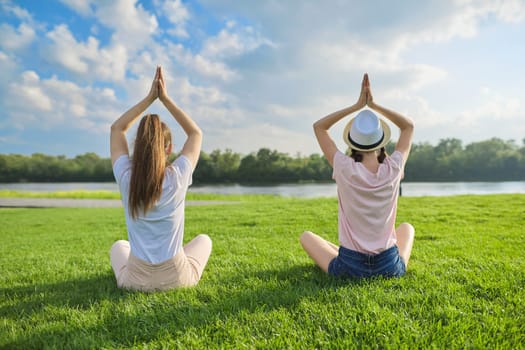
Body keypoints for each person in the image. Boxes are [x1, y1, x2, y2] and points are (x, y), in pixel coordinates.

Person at [300, 73, 415, 278]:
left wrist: (356, 106)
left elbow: (319, 127)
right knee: (407, 228)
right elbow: (408, 127)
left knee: (307, 237)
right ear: (381, 142)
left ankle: (351, 255)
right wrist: (374, 105)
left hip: (349, 267)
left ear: (352, 142)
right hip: (388, 266)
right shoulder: (394, 167)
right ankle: (399, 266)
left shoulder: (344, 167)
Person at [109, 66, 212, 291]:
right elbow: (196, 133)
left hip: (135, 281)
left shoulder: (126, 177)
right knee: (204, 239)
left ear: (137, 147)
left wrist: (149, 98)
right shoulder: (178, 176)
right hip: (177, 278)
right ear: (169, 149)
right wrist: (164, 98)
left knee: (119, 246)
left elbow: (117, 129)